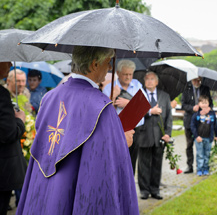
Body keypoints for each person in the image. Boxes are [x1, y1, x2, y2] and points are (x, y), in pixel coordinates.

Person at [16, 46, 139, 215]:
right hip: (74, 189)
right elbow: (101, 162)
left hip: (45, 188)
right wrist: (122, 141)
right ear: (95, 64)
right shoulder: (101, 106)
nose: (110, 67)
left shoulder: (49, 97)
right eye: (108, 62)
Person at [103, 59, 143, 175]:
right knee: (118, 162)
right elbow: (104, 110)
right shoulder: (109, 88)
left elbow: (144, 106)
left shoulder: (137, 85)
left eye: (130, 74)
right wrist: (113, 95)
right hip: (118, 130)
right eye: (125, 74)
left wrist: (128, 103)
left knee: (132, 162)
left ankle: (130, 189)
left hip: (136, 129)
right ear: (118, 73)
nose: (128, 77)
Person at [138, 72, 172, 200]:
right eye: (147, 79)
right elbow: (136, 112)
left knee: (157, 164)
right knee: (143, 164)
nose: (149, 81)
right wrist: (150, 111)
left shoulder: (164, 96)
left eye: (152, 79)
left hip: (160, 136)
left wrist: (167, 133)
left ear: (156, 82)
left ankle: (155, 190)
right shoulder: (139, 95)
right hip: (144, 135)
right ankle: (144, 190)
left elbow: (169, 117)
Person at [0, 62, 27, 215]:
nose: (10, 64)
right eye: (6, 60)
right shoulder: (2, 94)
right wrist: (20, 120)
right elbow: (8, 133)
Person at [181, 77, 213, 174]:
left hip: (202, 123)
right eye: (195, 80)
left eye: (199, 80)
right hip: (189, 121)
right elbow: (183, 105)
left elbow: (211, 104)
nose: (197, 82)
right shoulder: (186, 89)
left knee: (203, 144)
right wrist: (192, 108)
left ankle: (202, 166)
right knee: (189, 145)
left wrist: (208, 109)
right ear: (191, 80)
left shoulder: (205, 89)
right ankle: (189, 166)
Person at [190, 95, 217, 176]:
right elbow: (192, 126)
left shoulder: (212, 113)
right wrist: (196, 136)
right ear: (199, 104)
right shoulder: (196, 114)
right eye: (202, 103)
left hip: (209, 138)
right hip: (199, 138)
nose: (204, 105)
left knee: (207, 154)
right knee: (200, 154)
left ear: (209, 103)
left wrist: (216, 135)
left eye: (206, 103)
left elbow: (215, 125)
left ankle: (206, 168)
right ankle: (200, 169)